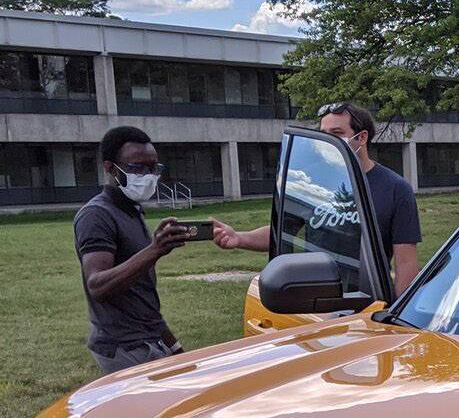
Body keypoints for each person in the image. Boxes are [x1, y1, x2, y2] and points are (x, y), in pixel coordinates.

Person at [213, 101, 423, 294]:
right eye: (324, 134)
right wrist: (238, 238)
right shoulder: (314, 181)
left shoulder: (396, 189)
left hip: (367, 300)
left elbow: (406, 263)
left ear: (362, 137)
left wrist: (395, 313)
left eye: (337, 133)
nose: (328, 141)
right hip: (314, 297)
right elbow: (282, 232)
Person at [74, 126, 187, 374]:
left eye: (153, 167)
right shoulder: (96, 215)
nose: (148, 175)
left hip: (150, 339)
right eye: (137, 167)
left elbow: (141, 294)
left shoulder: (132, 211)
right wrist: (155, 250)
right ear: (110, 167)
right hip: (125, 346)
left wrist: (174, 346)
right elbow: (97, 285)